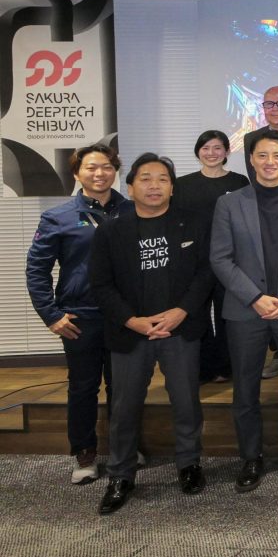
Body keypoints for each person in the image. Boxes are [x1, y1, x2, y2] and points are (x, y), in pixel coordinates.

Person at [91, 153, 214, 515]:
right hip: (132, 332)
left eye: (162, 179)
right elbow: (100, 285)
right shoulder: (110, 231)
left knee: (186, 401)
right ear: (130, 188)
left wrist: (180, 312)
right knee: (124, 406)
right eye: (145, 178)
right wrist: (133, 321)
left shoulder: (194, 224)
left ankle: (189, 463)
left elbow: (206, 273)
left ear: (172, 187)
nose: (154, 185)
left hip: (180, 329)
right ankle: (121, 474)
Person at [208, 130, 278, 492]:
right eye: (262, 155)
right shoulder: (229, 203)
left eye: (277, 155)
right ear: (251, 160)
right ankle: (250, 456)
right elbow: (220, 258)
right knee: (245, 387)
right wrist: (255, 297)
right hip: (245, 309)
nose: (270, 162)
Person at [26, 143, 129, 485]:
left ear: (115, 171)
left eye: (106, 167)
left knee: (123, 387)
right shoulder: (58, 217)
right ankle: (84, 453)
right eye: (91, 167)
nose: (99, 173)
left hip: (125, 317)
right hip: (80, 317)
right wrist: (51, 315)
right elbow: (36, 269)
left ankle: (124, 447)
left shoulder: (131, 210)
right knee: (83, 387)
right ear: (76, 173)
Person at [171, 130, 248, 385]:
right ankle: (203, 368)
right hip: (195, 261)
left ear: (227, 151)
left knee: (228, 315)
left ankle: (227, 367)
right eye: (205, 148)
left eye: (217, 148)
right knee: (197, 315)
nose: (211, 153)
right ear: (198, 152)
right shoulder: (182, 185)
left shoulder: (239, 182)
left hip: (230, 260)